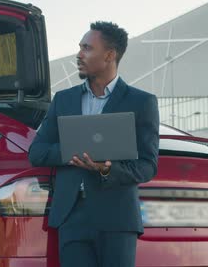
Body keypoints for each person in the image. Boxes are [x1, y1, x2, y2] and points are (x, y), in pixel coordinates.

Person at [28, 21, 160, 267]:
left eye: (87, 48)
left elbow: (147, 166)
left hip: (118, 219)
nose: (79, 54)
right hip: (71, 216)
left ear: (110, 55)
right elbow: (37, 152)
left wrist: (105, 168)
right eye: (79, 47)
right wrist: (73, 151)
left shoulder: (142, 102)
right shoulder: (63, 100)